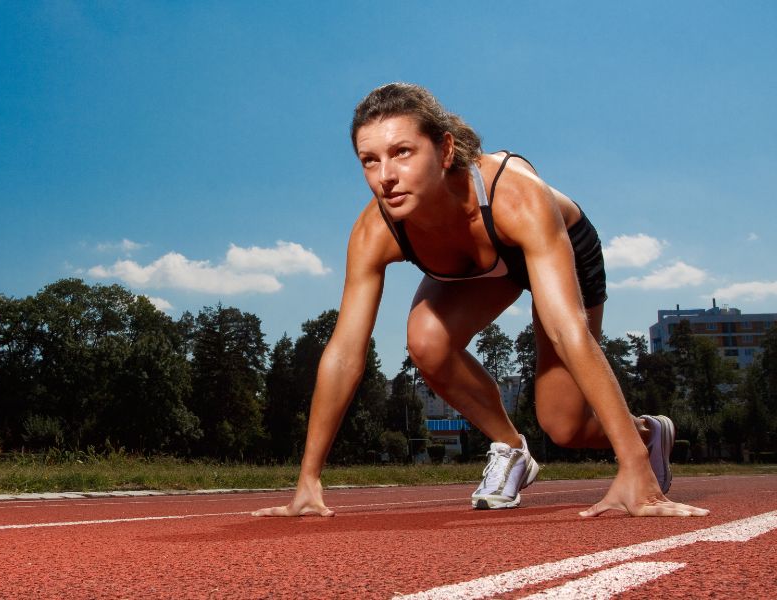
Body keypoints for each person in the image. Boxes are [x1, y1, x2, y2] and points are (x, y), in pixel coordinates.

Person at [253, 83, 709, 519]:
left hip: (552, 242)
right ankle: (510, 448)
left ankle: (647, 433)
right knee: (427, 341)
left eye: (402, 153)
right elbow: (344, 353)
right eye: (369, 161)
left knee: (564, 426)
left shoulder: (516, 196)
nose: (385, 176)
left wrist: (634, 467)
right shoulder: (375, 231)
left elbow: (566, 330)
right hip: (480, 266)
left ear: (445, 149)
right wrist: (308, 480)